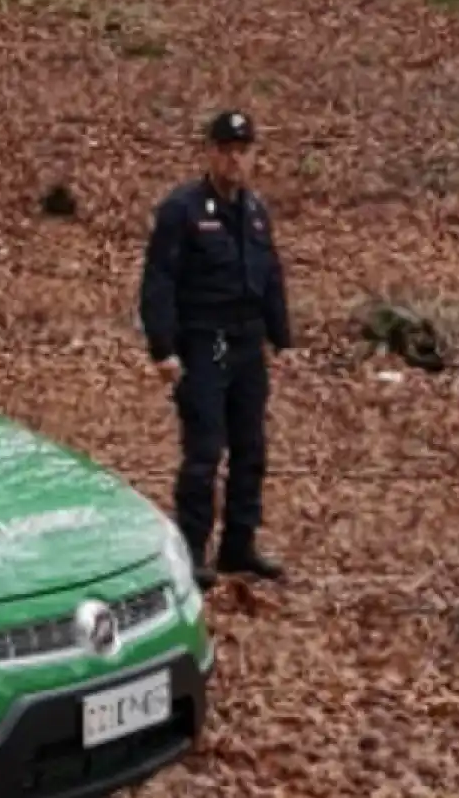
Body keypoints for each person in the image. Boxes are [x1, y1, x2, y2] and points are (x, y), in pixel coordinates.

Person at [139, 110, 291, 590]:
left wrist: (281, 336)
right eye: (226, 149)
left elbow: (270, 276)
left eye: (243, 151)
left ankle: (238, 546)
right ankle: (192, 548)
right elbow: (158, 280)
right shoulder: (182, 210)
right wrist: (162, 348)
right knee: (204, 452)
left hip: (248, 346)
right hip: (203, 343)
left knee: (251, 450)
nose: (234, 159)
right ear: (210, 152)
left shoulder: (254, 212)